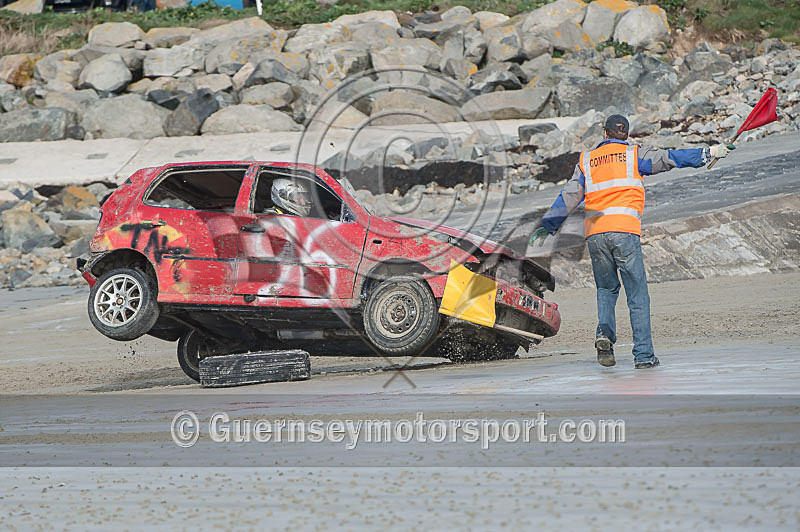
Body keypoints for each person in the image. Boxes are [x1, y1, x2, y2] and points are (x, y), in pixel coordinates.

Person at [529, 115, 733, 369]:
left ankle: (605, 335)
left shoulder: (587, 160)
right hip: (624, 231)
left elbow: (569, 196)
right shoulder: (634, 155)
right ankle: (644, 356)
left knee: (606, 290)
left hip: (596, 234)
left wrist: (548, 225)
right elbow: (671, 158)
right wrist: (708, 153)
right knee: (637, 295)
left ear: (605, 133)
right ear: (625, 134)